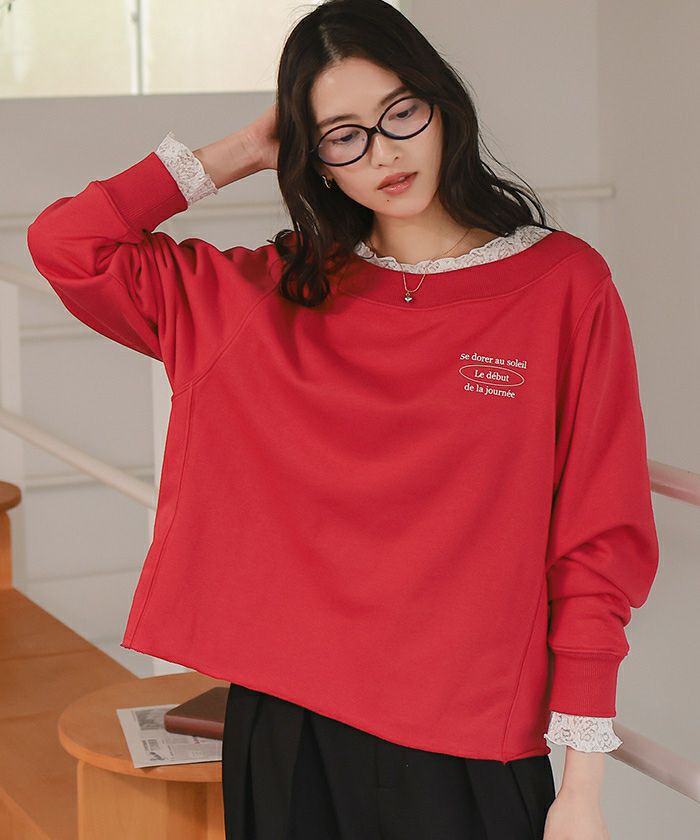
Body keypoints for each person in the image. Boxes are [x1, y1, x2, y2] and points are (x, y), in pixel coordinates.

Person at [26, 1, 659, 838]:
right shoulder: (269, 293)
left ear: (443, 105)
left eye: (401, 112)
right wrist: (240, 151)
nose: (384, 151)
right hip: (288, 730)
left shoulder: (563, 287)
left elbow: (597, 538)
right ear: (314, 159)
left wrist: (582, 787)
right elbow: (68, 245)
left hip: (469, 740)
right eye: (343, 135)